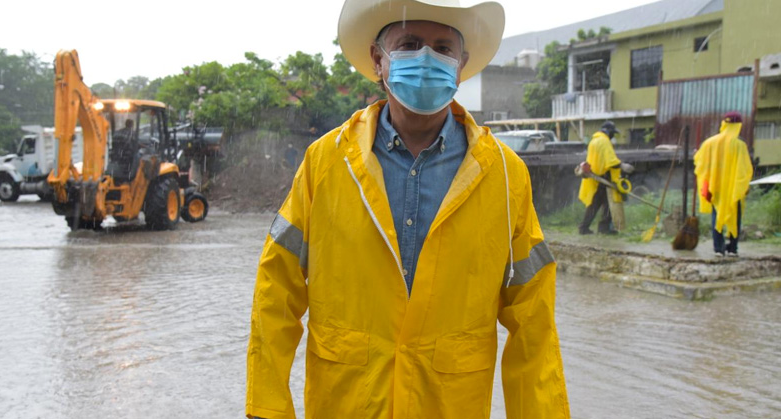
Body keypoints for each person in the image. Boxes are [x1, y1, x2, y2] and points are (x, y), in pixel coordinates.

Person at [245, 1, 570, 418]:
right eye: (410, 44)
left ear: (461, 64)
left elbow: (533, 320)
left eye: (443, 48)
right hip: (346, 405)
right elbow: (276, 290)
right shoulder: (325, 162)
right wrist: (267, 407)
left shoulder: (505, 175)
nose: (426, 59)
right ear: (378, 59)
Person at [694, 112, 753, 257]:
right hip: (733, 189)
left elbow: (700, 163)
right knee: (734, 217)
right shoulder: (740, 145)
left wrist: (698, 155)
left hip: (715, 188)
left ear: (724, 124)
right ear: (738, 126)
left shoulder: (709, 143)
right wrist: (744, 186)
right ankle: (732, 248)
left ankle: (718, 249)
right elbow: (744, 169)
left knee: (717, 216)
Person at [578, 120, 623, 235]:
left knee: (596, 204)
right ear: (608, 132)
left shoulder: (594, 140)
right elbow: (611, 161)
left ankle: (585, 227)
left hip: (595, 176)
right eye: (612, 133)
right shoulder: (604, 141)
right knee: (607, 203)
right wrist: (622, 165)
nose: (613, 136)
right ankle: (602, 228)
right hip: (603, 177)